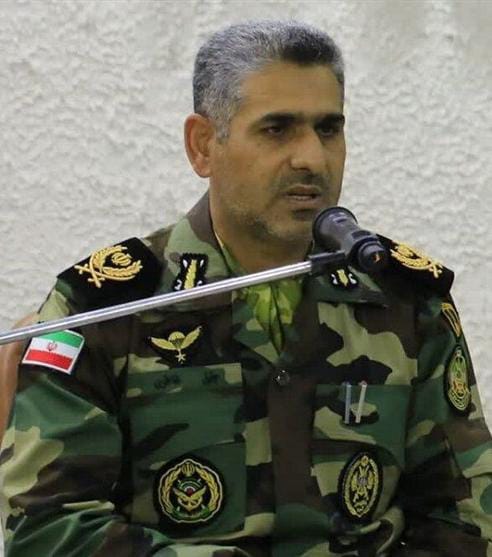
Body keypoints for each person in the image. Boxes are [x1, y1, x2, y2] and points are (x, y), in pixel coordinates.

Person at [1, 20, 491, 557]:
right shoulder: (107, 309)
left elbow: (465, 516)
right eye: (277, 129)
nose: (312, 158)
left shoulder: (404, 298)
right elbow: (46, 529)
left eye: (328, 129)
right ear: (202, 146)